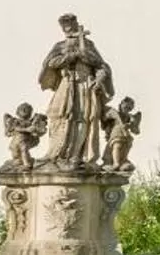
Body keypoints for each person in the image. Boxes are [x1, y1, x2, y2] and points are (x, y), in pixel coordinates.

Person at [38, 14, 113, 170]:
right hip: (66, 86)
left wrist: (98, 80)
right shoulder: (59, 46)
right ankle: (55, 153)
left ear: (76, 25)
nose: (68, 29)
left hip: (84, 85)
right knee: (58, 115)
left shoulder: (88, 44)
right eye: (65, 27)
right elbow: (51, 63)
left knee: (82, 118)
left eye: (71, 26)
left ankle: (76, 156)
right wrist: (71, 56)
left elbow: (101, 66)